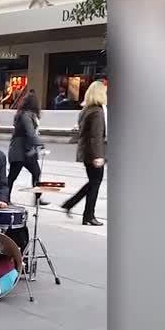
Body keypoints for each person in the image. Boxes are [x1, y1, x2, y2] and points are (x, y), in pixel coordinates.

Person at [61, 81, 107, 226]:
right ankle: (88, 216)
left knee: (93, 183)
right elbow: (95, 136)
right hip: (94, 154)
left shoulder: (86, 110)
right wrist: (98, 156)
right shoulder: (97, 112)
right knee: (95, 184)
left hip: (86, 152)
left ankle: (70, 204)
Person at [7, 93, 48, 205]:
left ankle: (37, 198)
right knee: (13, 175)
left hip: (25, 151)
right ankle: (5, 198)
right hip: (20, 150)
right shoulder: (26, 116)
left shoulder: (26, 115)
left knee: (35, 172)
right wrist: (40, 143)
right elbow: (30, 133)